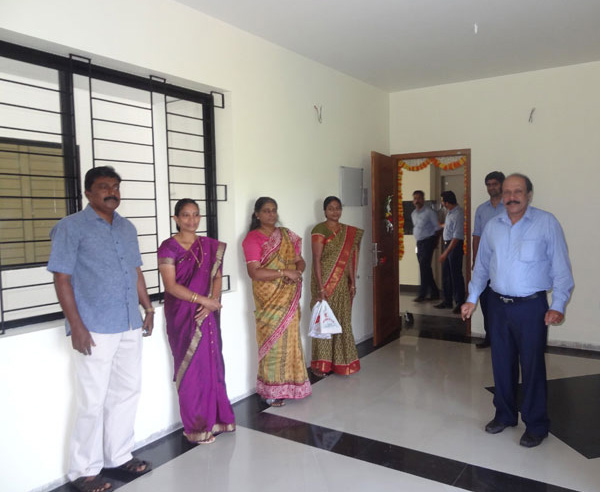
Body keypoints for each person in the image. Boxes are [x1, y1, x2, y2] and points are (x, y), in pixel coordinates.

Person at [48, 166, 153, 492]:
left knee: (127, 392)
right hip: (94, 326)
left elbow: (135, 269)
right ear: (89, 193)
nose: (112, 191)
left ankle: (118, 455)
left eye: (116, 186)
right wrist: (76, 326)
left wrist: (147, 308)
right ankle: (83, 470)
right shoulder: (70, 227)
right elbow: (61, 278)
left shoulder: (127, 227)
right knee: (92, 400)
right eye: (104, 186)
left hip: (128, 322)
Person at [461, 173, 574, 448]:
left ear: (529, 195)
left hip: (532, 307)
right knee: (501, 364)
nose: (511, 196)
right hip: (498, 305)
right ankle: (505, 415)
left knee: (532, 366)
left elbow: (561, 269)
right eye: (508, 191)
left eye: (518, 191)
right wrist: (472, 298)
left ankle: (536, 425)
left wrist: (558, 305)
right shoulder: (493, 226)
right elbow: (482, 267)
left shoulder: (546, 223)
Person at [158, 199, 236, 445]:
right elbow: (170, 286)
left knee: (212, 364)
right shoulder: (168, 247)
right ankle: (194, 427)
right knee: (191, 368)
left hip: (207, 310)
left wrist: (212, 300)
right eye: (185, 215)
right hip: (182, 313)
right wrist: (204, 300)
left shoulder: (209, 246)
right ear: (176, 219)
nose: (191, 220)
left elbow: (216, 276)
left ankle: (217, 418)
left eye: (195, 215)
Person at [242, 197, 312, 407]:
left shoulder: (286, 235)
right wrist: (284, 272)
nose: (271, 214)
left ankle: (293, 385)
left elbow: (300, 260)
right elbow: (254, 272)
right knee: (272, 345)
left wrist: (298, 271)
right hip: (269, 299)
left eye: (274, 210)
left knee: (291, 342)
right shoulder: (251, 239)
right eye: (266, 211)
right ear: (257, 214)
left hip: (288, 296)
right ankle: (271, 390)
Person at [310, 196, 364, 377]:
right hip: (324, 281)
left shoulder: (347, 232)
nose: (335, 212)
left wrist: (353, 283)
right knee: (323, 323)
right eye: (331, 208)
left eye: (338, 208)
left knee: (342, 321)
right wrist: (320, 287)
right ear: (324, 211)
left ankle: (342, 361)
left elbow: (348, 260)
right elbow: (316, 259)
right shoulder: (319, 229)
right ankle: (321, 365)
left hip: (341, 283)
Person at [472, 171, 505, 348]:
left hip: (504, 266)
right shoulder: (481, 209)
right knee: (486, 303)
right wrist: (475, 260)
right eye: (488, 185)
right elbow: (476, 236)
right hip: (485, 265)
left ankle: (504, 339)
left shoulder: (510, 207)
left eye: (495, 184)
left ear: (502, 184)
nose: (491, 187)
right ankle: (489, 337)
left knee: (503, 304)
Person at [435, 190, 465, 314]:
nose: (442, 203)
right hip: (447, 245)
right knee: (446, 275)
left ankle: (460, 302)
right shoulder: (450, 213)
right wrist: (440, 225)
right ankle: (447, 301)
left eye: (442, 201)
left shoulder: (458, 214)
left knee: (455, 275)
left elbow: (457, 236)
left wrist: (446, 253)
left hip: (454, 246)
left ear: (447, 202)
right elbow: (448, 226)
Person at [410, 190, 440, 302]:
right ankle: (434, 292)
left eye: (419, 198)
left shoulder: (429, 212)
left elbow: (437, 228)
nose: (417, 200)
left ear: (423, 199)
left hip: (428, 242)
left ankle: (422, 294)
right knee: (425, 268)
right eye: (415, 198)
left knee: (423, 266)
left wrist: (435, 243)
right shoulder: (413, 213)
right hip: (419, 243)